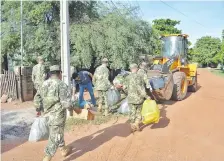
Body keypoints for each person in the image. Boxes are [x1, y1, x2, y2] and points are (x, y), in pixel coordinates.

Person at [34, 65, 74, 161]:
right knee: (55, 136)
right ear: (59, 73)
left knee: (57, 132)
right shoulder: (61, 85)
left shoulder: (44, 84)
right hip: (57, 116)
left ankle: (63, 149)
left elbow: (37, 98)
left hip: (47, 115)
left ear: (50, 74)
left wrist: (38, 108)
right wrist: (72, 108)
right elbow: (66, 104)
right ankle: (47, 158)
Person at [125, 63, 150, 132]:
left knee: (132, 113)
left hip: (130, 99)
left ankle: (132, 125)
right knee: (138, 113)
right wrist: (147, 96)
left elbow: (124, 88)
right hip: (139, 99)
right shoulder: (139, 77)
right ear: (136, 68)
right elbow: (141, 89)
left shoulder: (127, 77)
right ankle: (136, 124)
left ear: (130, 69)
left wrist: (128, 93)